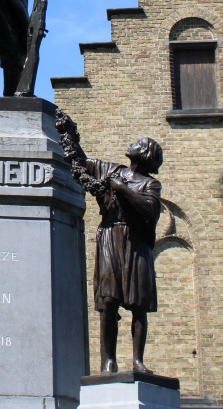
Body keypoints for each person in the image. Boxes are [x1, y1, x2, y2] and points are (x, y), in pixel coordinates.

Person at [83, 138, 164, 374]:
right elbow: (82, 160)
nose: (132, 144)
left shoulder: (151, 184)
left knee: (138, 303)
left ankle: (138, 360)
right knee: (108, 300)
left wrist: (121, 189)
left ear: (145, 153)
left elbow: (149, 210)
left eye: (138, 143)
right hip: (110, 236)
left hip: (136, 242)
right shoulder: (112, 170)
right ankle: (108, 360)